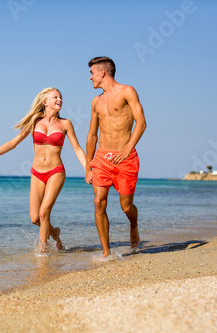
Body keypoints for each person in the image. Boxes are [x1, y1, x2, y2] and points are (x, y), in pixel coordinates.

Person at [0, 87, 86, 253]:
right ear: (45, 102)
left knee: (44, 212)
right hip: (37, 173)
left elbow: (78, 149)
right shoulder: (35, 122)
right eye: (55, 97)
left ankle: (42, 252)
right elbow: (13, 142)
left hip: (56, 171)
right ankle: (55, 234)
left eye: (60, 97)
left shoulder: (65, 124)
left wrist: (88, 169)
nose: (59, 100)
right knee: (35, 218)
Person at [85, 57, 147, 258]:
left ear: (102, 72)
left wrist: (128, 149)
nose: (90, 78)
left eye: (92, 73)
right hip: (102, 158)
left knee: (126, 206)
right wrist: (88, 166)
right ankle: (106, 252)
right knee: (98, 202)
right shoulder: (96, 101)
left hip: (125, 158)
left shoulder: (127, 91)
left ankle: (134, 224)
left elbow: (141, 123)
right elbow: (92, 135)